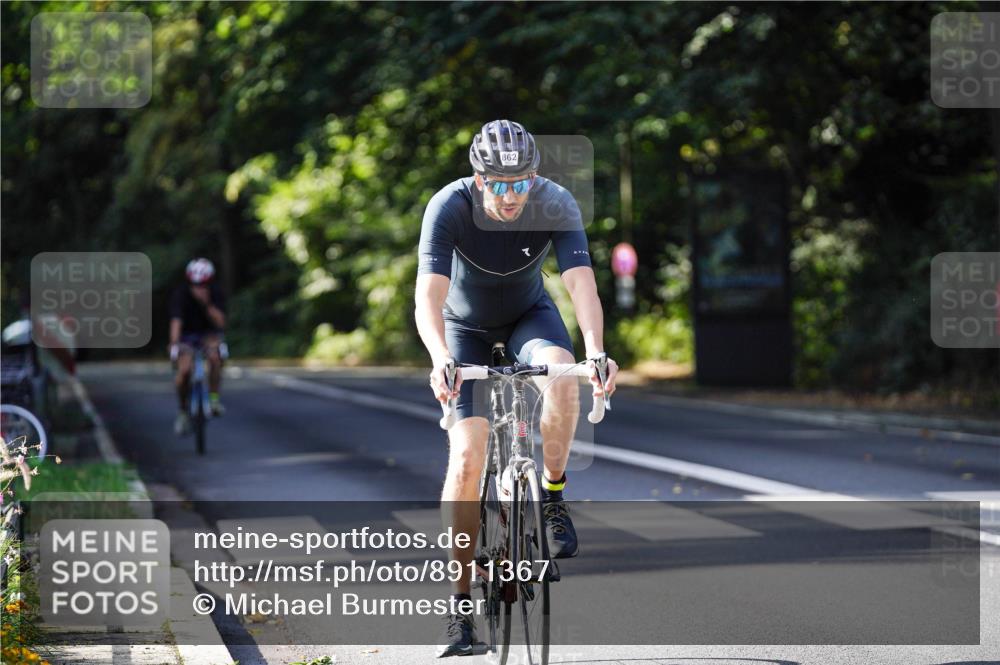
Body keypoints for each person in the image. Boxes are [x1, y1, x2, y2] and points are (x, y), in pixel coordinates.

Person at [414, 120, 619, 657]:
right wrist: (440, 360)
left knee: (564, 372)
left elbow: (581, 286)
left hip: (530, 315)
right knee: (467, 456)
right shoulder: (449, 206)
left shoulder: (555, 202)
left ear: (534, 177)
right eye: (498, 184)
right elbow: (428, 298)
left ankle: (551, 496)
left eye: (520, 182)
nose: (510, 196)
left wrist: (596, 351)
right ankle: (458, 610)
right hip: (464, 330)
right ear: (479, 179)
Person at [169, 258, 227, 435]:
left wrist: (207, 304)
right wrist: (174, 344)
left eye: (204, 284)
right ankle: (183, 410)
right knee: (184, 371)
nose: (200, 287)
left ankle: (214, 399)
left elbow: (221, 323)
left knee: (215, 358)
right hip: (187, 336)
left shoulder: (216, 293)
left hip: (209, 335)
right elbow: (176, 322)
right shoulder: (181, 294)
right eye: (196, 284)